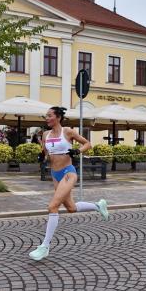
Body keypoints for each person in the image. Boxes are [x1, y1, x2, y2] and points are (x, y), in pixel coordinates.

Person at [29, 106, 109, 261]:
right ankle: (98, 205)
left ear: (58, 117)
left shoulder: (68, 132)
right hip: (55, 174)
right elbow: (45, 152)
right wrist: (41, 156)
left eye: (49, 115)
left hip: (68, 172)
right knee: (71, 208)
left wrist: (77, 151)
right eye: (46, 116)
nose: (47, 118)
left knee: (53, 206)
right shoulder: (45, 134)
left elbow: (87, 144)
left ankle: (44, 247)